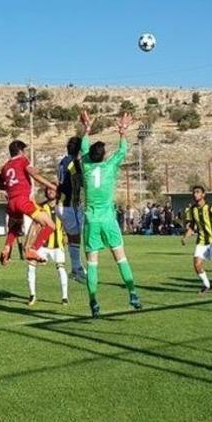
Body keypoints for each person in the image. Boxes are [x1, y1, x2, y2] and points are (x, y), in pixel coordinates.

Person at [79, 110, 141, 317]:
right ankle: (132, 293)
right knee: (121, 258)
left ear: (90, 156)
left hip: (91, 220)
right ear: (104, 156)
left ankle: (94, 301)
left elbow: (83, 147)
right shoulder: (110, 166)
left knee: (92, 263)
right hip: (108, 219)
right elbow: (123, 149)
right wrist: (122, 131)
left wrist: (87, 129)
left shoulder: (86, 166)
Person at [0, 139, 58, 265]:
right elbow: (34, 175)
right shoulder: (23, 160)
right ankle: (32, 249)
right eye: (24, 151)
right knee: (50, 225)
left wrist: (11, 187)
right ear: (20, 151)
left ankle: (7, 247)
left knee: (15, 228)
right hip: (23, 200)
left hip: (11, 202)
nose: (25, 153)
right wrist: (52, 186)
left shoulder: (5, 167)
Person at [27, 187, 70, 306]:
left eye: (53, 189)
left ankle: (65, 297)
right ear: (46, 192)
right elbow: (35, 224)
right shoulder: (41, 207)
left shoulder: (62, 207)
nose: (51, 191)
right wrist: (31, 243)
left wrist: (66, 234)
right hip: (42, 245)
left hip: (57, 245)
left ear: (57, 192)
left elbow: (66, 222)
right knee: (31, 266)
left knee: (61, 269)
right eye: (49, 190)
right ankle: (32, 295)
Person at [56, 136, 86, 282]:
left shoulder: (62, 162)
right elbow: (81, 182)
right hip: (70, 205)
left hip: (61, 204)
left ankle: (76, 268)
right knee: (78, 236)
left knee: (73, 237)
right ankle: (77, 269)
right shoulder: (74, 163)